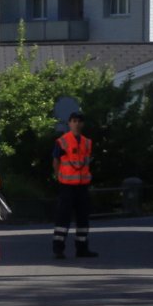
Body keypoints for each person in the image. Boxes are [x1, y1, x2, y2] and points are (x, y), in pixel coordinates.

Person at [52, 111, 98, 259]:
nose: (76, 124)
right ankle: (58, 249)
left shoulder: (87, 142)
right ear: (69, 123)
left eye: (79, 121)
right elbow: (56, 160)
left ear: (82, 124)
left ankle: (82, 248)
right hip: (67, 185)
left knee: (83, 218)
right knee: (63, 218)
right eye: (74, 121)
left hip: (82, 185)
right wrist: (58, 176)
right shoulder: (62, 141)